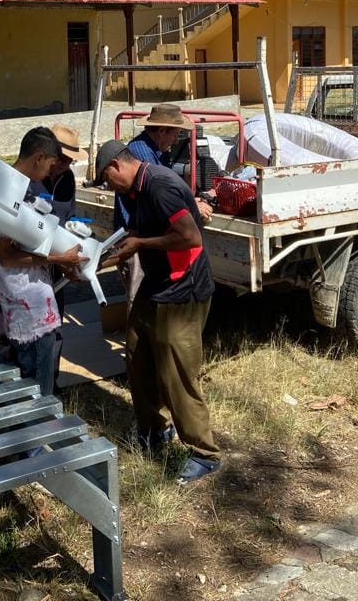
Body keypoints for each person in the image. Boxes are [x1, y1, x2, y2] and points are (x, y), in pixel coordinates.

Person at [95, 139, 220, 483]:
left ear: (118, 166)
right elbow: (139, 232)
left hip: (183, 288)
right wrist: (108, 257)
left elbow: (190, 237)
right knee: (137, 353)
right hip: (157, 282)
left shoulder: (160, 186)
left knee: (175, 371)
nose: (108, 187)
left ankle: (204, 452)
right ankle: (154, 429)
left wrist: (140, 245)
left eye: (107, 179)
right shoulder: (134, 190)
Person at [0, 127, 83, 398]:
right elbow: (6, 255)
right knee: (35, 393)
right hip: (30, 311)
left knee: (33, 386)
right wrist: (58, 258)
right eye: (53, 163)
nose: (54, 171)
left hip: (33, 304)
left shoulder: (11, 185)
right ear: (39, 158)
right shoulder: (6, 190)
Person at [114, 104, 212, 305]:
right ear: (161, 131)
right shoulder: (141, 154)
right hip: (135, 233)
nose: (176, 140)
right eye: (174, 134)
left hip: (145, 233)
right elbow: (159, 193)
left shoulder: (157, 151)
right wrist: (192, 205)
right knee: (138, 294)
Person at [31, 124, 88, 389]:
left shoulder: (68, 180)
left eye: (70, 161)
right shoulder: (29, 176)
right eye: (62, 159)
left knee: (54, 322)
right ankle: (19, 381)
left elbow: (70, 214)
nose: (65, 165)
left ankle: (49, 382)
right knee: (21, 324)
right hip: (28, 266)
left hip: (59, 262)